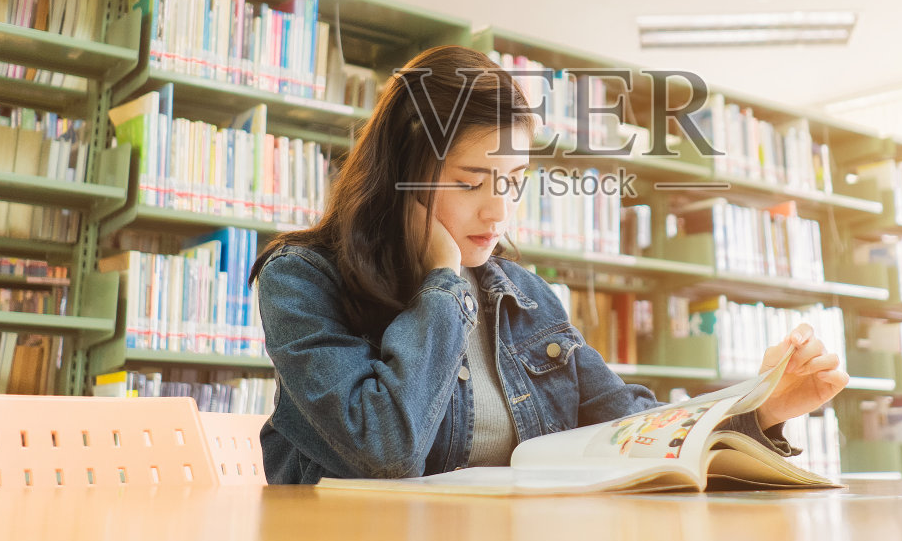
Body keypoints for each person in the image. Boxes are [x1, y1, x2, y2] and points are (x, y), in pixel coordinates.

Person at [248, 44, 851, 485]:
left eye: (512, 182)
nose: (498, 210)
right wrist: (442, 285)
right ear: (397, 182)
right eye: (470, 183)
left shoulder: (525, 296)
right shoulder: (301, 280)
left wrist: (760, 406)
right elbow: (383, 449)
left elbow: (631, 427)